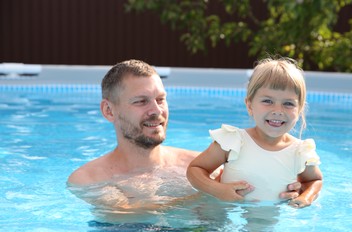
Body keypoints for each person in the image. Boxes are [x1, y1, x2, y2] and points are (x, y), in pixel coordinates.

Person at [67, 59, 303, 210]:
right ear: (109, 110)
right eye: (141, 102)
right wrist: (210, 192)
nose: (156, 111)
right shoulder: (89, 179)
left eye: (161, 100)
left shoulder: (200, 165)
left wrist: (286, 188)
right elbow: (126, 216)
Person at [187, 57, 323, 208]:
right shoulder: (234, 141)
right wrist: (218, 190)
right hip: (221, 212)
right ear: (250, 105)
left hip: (269, 218)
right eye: (267, 101)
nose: (278, 111)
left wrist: (305, 197)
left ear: (299, 110)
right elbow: (195, 170)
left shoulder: (299, 151)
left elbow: (314, 181)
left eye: (288, 104)